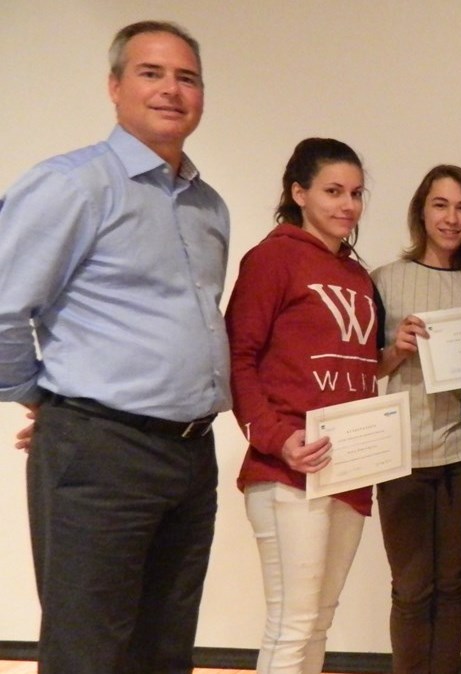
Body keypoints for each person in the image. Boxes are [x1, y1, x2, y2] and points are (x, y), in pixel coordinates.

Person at [0, 21, 229, 674]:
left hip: (192, 453)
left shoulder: (209, 206)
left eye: (187, 78)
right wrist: (43, 398)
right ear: (114, 85)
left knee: (165, 649)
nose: (171, 90)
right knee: (88, 650)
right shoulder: (73, 185)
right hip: (101, 455)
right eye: (151, 73)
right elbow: (4, 307)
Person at [225, 138, 382, 674]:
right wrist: (276, 438)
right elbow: (238, 358)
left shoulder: (357, 275)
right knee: (292, 623)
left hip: (349, 470)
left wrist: (397, 355)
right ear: (299, 193)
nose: (348, 205)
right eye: (333, 191)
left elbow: (352, 366)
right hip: (288, 470)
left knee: (319, 620)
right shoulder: (272, 258)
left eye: (356, 194)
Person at [373, 165, 461, 674]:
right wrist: (396, 350)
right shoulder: (385, 279)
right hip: (402, 453)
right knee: (411, 587)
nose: (451, 218)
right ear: (421, 212)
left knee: (451, 583)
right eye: (440, 205)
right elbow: (366, 368)